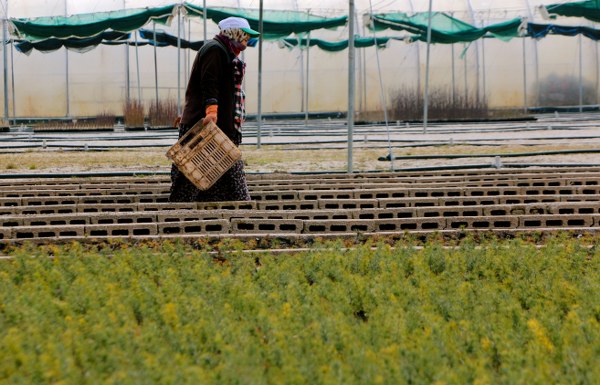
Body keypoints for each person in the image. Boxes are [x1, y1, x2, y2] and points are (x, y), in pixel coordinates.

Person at [169, 17, 259, 202]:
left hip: (218, 124)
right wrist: (211, 112)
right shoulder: (215, 50)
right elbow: (209, 84)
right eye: (245, 35)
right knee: (193, 170)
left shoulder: (224, 51)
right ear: (233, 33)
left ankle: (221, 209)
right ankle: (179, 211)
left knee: (206, 171)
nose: (248, 39)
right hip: (209, 125)